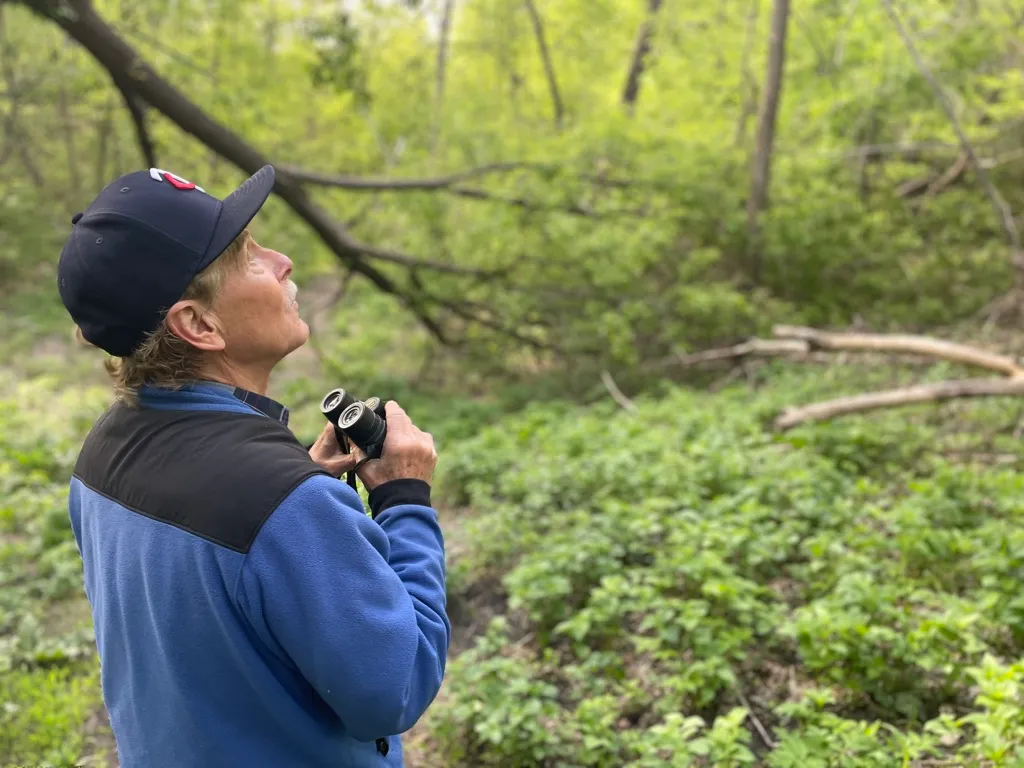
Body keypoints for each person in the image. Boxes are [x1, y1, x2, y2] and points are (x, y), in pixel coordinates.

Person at [56, 165, 450, 767]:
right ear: (197, 324)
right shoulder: (283, 504)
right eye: (247, 256)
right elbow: (395, 689)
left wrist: (301, 495)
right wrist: (405, 502)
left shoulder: (102, 453)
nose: (283, 259)